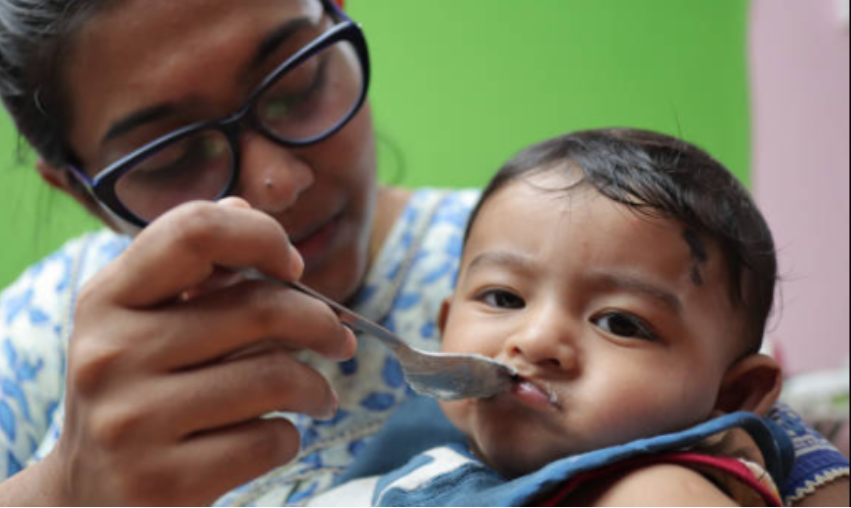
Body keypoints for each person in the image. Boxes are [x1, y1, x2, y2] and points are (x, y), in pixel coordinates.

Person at [0, 0, 846, 506]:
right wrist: (64, 489)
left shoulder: (547, 255)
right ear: (79, 188)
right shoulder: (46, 330)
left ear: (336, 20)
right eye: (173, 154)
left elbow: (770, 444)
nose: (275, 185)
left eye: (295, 83)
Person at [305, 128, 801, 507]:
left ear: (732, 396)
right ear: (444, 325)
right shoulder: (424, 438)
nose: (536, 340)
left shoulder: (662, 491)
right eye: (503, 298)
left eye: (620, 324)